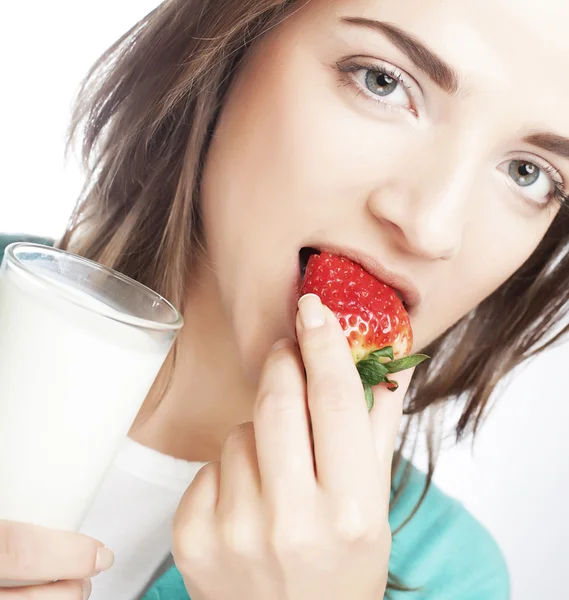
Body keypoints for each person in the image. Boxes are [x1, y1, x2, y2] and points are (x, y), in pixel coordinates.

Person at [2, 0, 568, 598]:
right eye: (384, 81)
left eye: (529, 173)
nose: (434, 228)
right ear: (231, 41)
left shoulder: (449, 579)